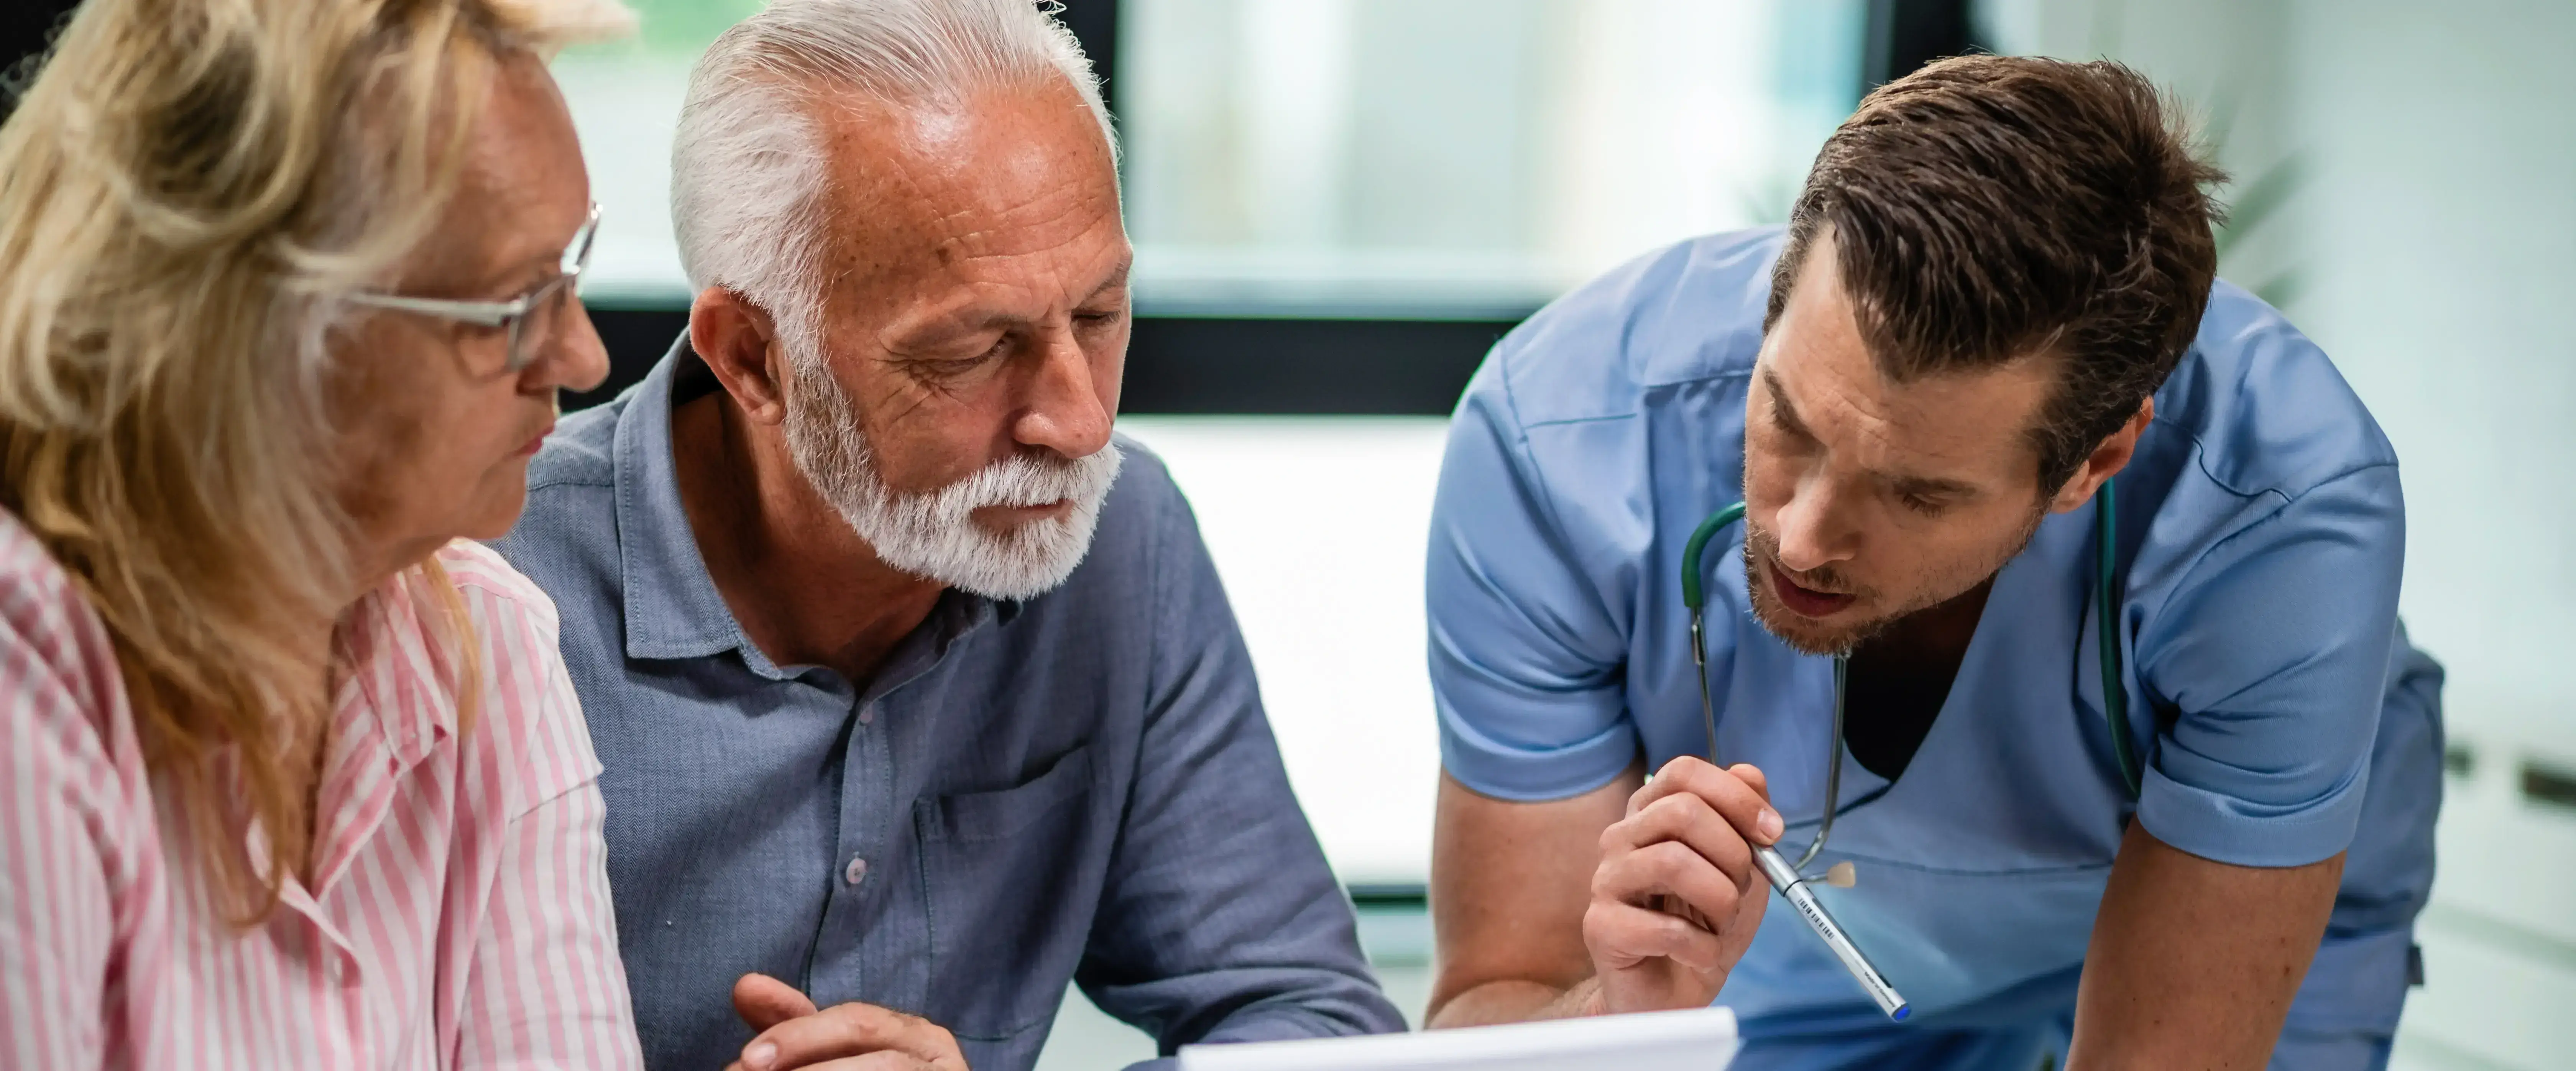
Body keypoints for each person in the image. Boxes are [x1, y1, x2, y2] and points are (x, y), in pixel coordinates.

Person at [1423, 56, 2443, 1070]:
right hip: (1835, 952)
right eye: (1789, 419)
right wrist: (1621, 1013)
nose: (1805, 538)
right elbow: (1489, 1016)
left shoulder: (2281, 514)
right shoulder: (1552, 437)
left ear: (2096, 460)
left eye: (1918, 492)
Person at [489, 2, 1404, 1069]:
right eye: (975, 350)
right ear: (751, 358)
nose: (1080, 422)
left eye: (1101, 316)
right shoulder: (485, 590)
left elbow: (1313, 1030)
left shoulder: (1118, 542)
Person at [0, 0, 644, 1068]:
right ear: (243, 326)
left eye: (573, 266)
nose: (581, 359)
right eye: (514, 304)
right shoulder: (31, 664)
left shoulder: (491, 649)